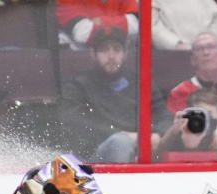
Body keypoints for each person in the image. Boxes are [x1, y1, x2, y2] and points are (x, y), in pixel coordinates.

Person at [60, 24, 169, 162]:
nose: (111, 56)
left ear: (125, 54)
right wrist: (124, 136)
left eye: (117, 50)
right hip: (94, 164)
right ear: (93, 54)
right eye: (104, 50)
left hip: (141, 155)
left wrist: (158, 133)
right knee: (120, 143)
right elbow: (76, 123)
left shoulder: (140, 83)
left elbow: (163, 114)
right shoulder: (79, 86)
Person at [57, 0, 139, 50]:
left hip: (117, 60)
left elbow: (134, 25)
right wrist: (121, 22)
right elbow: (82, 34)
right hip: (78, 62)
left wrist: (101, 21)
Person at [151, 0, 217, 50]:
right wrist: (177, 45)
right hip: (176, 56)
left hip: (212, 51)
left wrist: (211, 39)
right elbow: (152, 27)